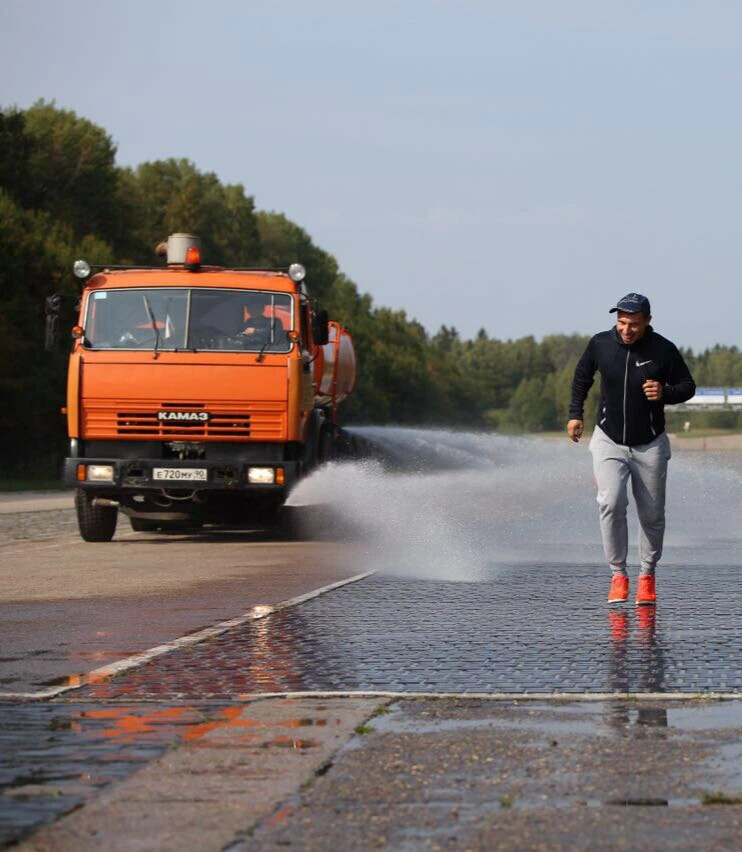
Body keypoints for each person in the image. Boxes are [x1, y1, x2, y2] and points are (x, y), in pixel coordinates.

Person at [567, 293, 696, 606]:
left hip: (650, 444)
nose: (626, 329)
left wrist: (665, 392)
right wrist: (575, 414)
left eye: (633, 324)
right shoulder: (600, 344)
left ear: (647, 321)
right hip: (608, 439)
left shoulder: (663, 350)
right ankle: (618, 575)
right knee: (610, 502)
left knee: (652, 516)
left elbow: (687, 386)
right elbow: (582, 377)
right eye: (621, 322)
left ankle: (647, 575)